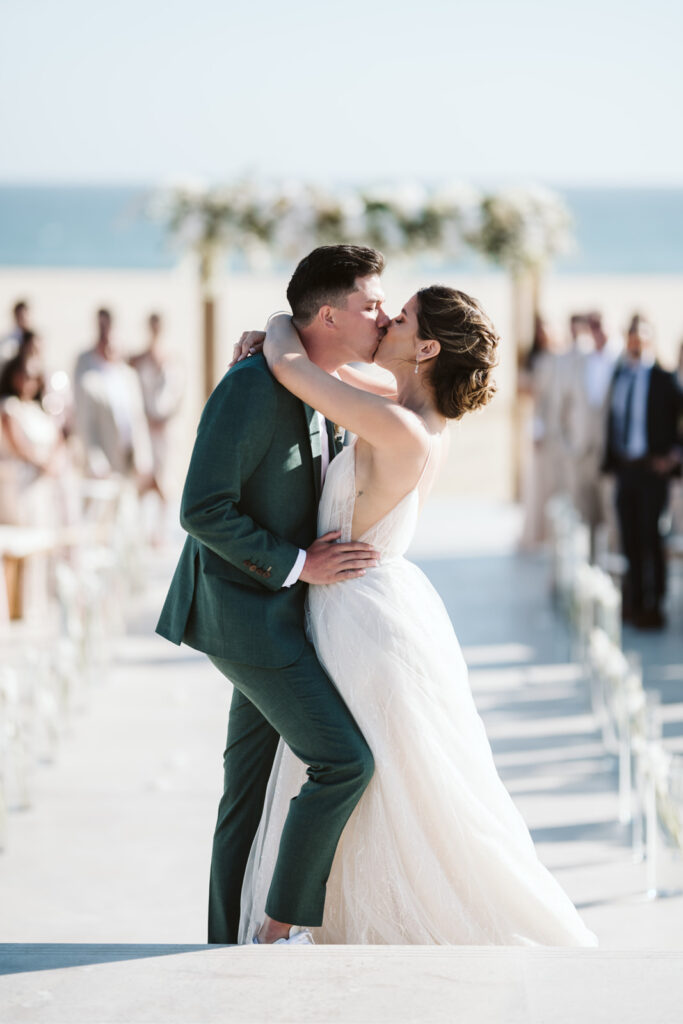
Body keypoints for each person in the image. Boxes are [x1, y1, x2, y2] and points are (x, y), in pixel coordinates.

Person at [234, 287, 597, 947]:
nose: (387, 322)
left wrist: (280, 321)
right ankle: (307, 919)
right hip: (374, 602)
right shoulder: (402, 406)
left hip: (356, 617)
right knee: (383, 777)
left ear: (427, 347)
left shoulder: (400, 425)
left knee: (358, 772)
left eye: (400, 318)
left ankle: (283, 928)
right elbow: (332, 371)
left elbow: (293, 369)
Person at [156, 246, 389, 946]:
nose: (382, 316)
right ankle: (277, 930)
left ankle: (223, 942)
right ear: (329, 315)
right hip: (246, 615)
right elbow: (201, 508)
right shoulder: (251, 387)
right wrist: (297, 565)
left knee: (247, 795)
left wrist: (276, 329)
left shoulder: (323, 381)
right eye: (371, 305)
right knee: (343, 762)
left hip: (284, 615)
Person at [603, 314, 682, 629]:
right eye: (632, 337)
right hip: (626, 470)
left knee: (652, 537)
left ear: (651, 340)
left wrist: (674, 455)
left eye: (641, 337)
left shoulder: (664, 379)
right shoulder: (620, 376)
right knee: (629, 537)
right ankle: (633, 601)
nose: (636, 343)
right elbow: (612, 420)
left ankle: (654, 604)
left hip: (653, 471)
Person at [557, 311, 617, 551]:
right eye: (592, 326)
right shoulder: (580, 362)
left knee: (611, 510)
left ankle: (613, 561)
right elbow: (563, 405)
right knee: (583, 510)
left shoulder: (620, 361)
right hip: (581, 449)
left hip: (612, 451)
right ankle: (587, 563)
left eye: (600, 325)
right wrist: (568, 443)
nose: (596, 331)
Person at [73, 309, 153, 486]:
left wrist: (144, 458)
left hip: (130, 457)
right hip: (106, 459)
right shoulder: (90, 379)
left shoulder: (129, 376)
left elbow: (138, 418)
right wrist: (96, 460)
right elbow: (86, 423)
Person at [130, 313, 183, 540]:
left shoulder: (172, 357)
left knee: (164, 477)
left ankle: (160, 531)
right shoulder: (138, 358)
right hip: (145, 427)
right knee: (143, 475)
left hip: (164, 428)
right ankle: (141, 528)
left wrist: (166, 418)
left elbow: (179, 394)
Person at [519, 314, 561, 547]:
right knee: (538, 478)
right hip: (539, 422)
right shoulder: (534, 359)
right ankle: (537, 531)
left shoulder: (560, 358)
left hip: (558, 425)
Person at [0, 300, 31, 372]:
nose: (23, 319)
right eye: (20, 316)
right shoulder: (8, 341)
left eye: (25, 316)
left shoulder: (36, 339)